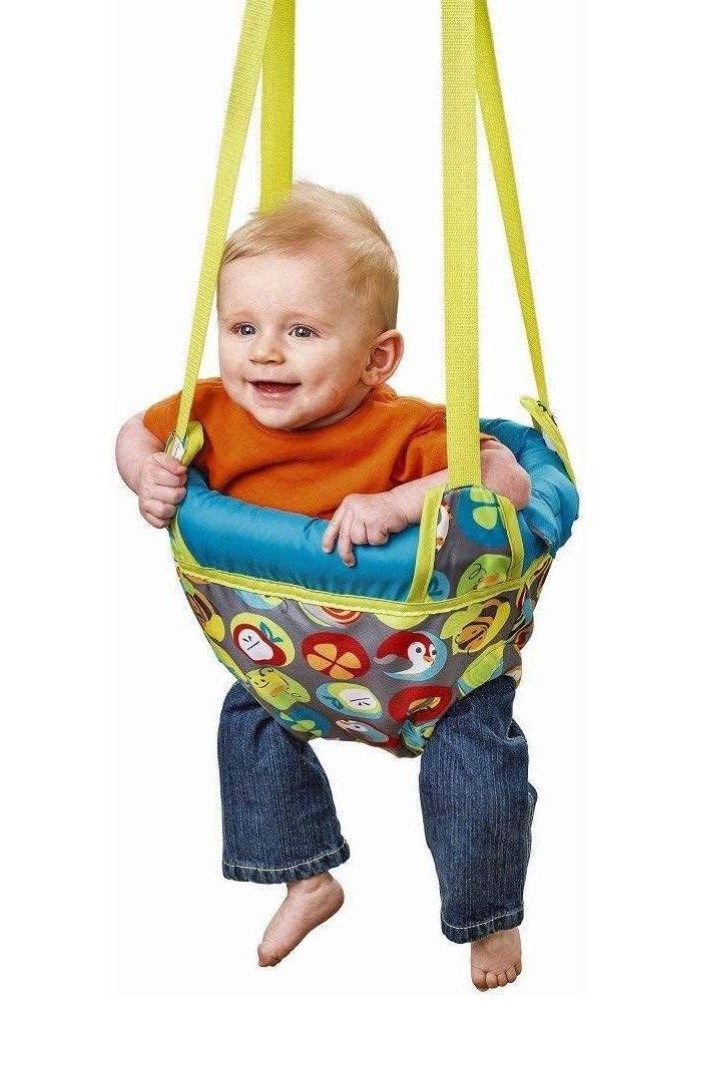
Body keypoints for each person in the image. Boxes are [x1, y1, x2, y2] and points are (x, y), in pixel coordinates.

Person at [116, 182, 537, 991]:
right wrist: (147, 472)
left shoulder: (406, 428)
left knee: (474, 767)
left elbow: (505, 480)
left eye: (300, 331)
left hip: (441, 670)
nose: (263, 353)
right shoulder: (214, 409)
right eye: (243, 328)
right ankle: (306, 876)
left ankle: (489, 916)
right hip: (290, 661)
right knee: (249, 721)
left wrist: (400, 502)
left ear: (377, 357)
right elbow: (135, 431)